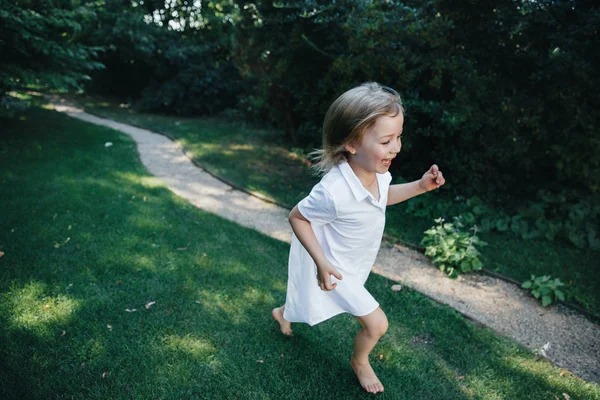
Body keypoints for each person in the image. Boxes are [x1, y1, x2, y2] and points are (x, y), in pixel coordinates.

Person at [271, 82, 445, 394]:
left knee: (310, 300)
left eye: (399, 137)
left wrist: (420, 186)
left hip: (355, 262)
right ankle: (360, 361)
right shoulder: (333, 190)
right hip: (337, 267)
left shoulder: (377, 172)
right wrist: (321, 263)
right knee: (377, 324)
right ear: (352, 144)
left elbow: (382, 197)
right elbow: (297, 216)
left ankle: (283, 313)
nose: (396, 148)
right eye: (386, 140)